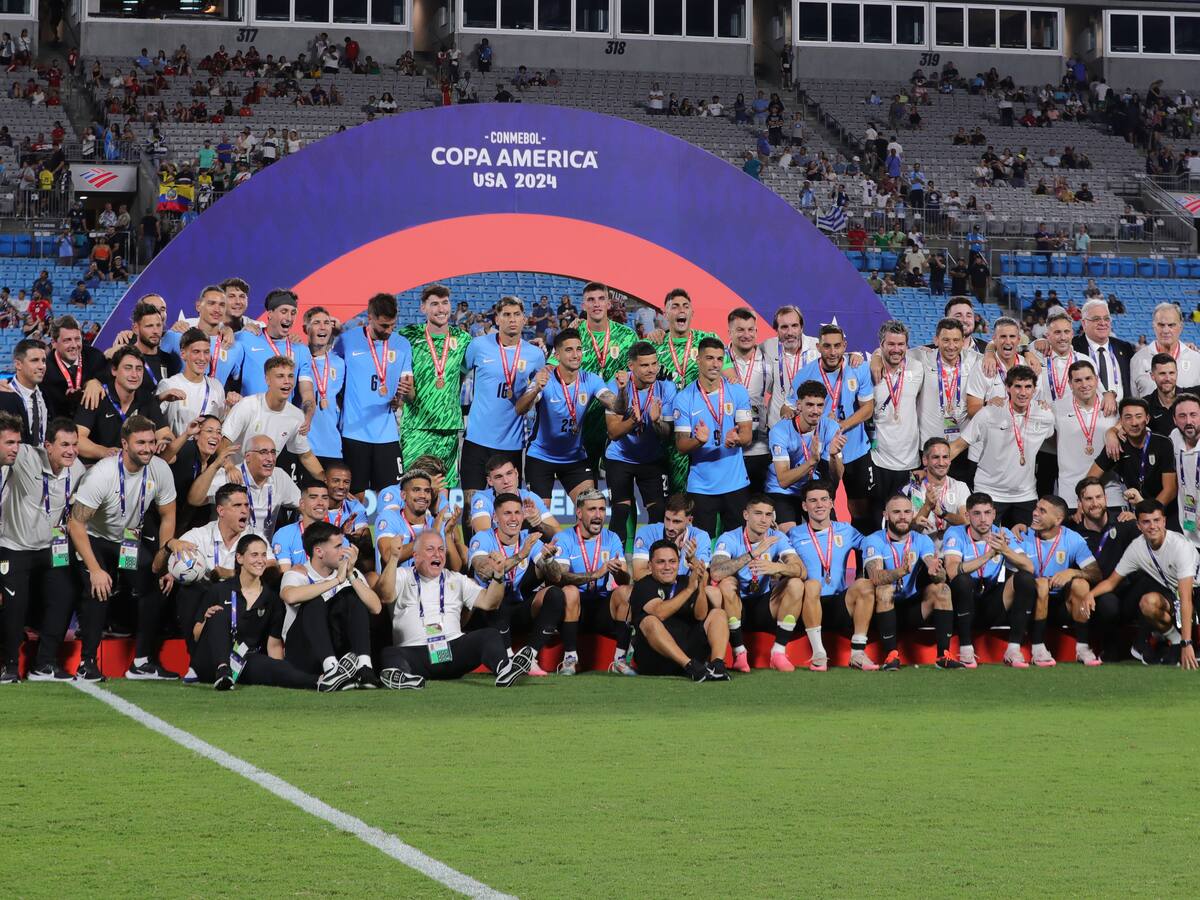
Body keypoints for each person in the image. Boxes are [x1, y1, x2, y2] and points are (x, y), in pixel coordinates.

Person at [66, 416, 185, 681]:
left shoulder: (159, 469)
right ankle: (87, 663)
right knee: (99, 589)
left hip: (127, 541)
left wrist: (164, 561)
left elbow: (168, 516)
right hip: (93, 538)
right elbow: (76, 523)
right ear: (124, 444)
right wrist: (95, 569)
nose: (147, 448)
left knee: (155, 585)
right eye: (140, 442)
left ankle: (142, 662)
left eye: (151, 442)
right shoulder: (102, 474)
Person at [378, 530, 536, 689]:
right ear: (416, 556)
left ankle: (504, 670)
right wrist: (394, 558)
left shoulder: (457, 579)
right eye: (430, 549)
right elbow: (385, 595)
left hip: (452, 650)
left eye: (441, 549)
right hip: (417, 653)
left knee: (489, 635)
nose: (437, 554)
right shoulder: (402, 575)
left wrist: (498, 576)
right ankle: (403, 677)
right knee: (390, 653)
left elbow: (490, 603)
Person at [0, 416, 78, 682]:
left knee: (65, 594)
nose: (71, 451)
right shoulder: (24, 456)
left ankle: (45, 664)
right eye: (64, 445)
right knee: (15, 605)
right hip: (14, 545)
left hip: (51, 547)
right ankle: (9, 665)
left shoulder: (77, 469)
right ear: (48, 446)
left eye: (74, 445)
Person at [192, 534, 316, 691]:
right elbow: (196, 635)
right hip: (211, 662)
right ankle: (223, 670)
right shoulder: (219, 590)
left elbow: (274, 646)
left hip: (242, 660)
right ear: (239, 558)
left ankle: (320, 681)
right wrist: (207, 619)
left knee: (277, 668)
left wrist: (278, 667)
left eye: (264, 555)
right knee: (217, 613)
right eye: (254, 555)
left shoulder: (271, 598)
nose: (261, 560)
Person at [1088, 500, 1198, 669]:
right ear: (1138, 525)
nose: (1152, 526)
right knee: (1148, 603)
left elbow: (1186, 599)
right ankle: (1175, 641)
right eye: (1146, 522)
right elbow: (1111, 582)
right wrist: (1090, 595)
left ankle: (1184, 644)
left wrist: (1187, 642)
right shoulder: (1137, 547)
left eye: (1156, 520)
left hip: (1195, 591)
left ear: (1164, 521)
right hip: (1174, 593)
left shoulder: (1180, 546)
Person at [460, 296, 545, 505]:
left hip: (511, 444)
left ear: (524, 319)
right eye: (506, 315)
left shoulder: (535, 355)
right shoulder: (478, 346)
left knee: (508, 509)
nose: (512, 319)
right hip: (476, 441)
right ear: (497, 319)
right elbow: (459, 375)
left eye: (517, 314)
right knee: (471, 508)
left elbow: (538, 391)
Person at [278, 521, 383, 689]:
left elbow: (376, 607)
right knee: (314, 600)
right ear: (319, 551)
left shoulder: (349, 572)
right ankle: (331, 670)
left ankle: (364, 667)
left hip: (338, 650)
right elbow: (290, 596)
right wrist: (336, 580)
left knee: (351, 595)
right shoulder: (298, 572)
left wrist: (350, 575)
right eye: (338, 546)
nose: (344, 551)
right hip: (304, 652)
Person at [468, 492, 566, 669]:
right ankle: (508, 659)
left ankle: (529, 656)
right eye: (507, 513)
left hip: (517, 608)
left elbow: (557, 577)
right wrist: (521, 555)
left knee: (556, 594)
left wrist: (548, 560)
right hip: (487, 613)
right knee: (496, 593)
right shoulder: (483, 538)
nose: (514, 519)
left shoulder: (528, 539)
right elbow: (485, 573)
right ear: (495, 518)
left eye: (517, 513)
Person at [710, 494, 807, 673]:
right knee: (726, 583)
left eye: (768, 515)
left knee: (796, 584)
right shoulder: (730, 538)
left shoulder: (776, 537)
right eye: (758, 513)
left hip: (765, 604)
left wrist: (777, 567)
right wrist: (753, 554)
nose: (764, 520)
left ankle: (778, 652)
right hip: (737, 606)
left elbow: (801, 571)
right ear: (746, 515)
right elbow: (715, 572)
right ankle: (739, 653)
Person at [794, 324, 875, 534]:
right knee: (822, 511)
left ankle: (861, 555)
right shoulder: (805, 374)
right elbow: (791, 408)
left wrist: (839, 425)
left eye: (837, 346)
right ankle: (829, 552)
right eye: (827, 346)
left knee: (861, 510)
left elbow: (867, 408)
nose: (832, 352)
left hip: (856, 451)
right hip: (822, 455)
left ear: (845, 346)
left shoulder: (858, 368)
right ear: (818, 347)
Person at [525, 328, 620, 505]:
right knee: (539, 514)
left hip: (574, 457)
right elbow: (521, 408)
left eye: (579, 349)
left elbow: (616, 405)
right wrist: (535, 388)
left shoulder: (591, 379)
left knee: (590, 506)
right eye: (569, 350)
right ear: (557, 355)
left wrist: (623, 391)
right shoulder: (544, 378)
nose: (576, 355)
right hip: (541, 456)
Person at [785, 480, 875, 669]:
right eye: (813, 500)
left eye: (824, 499)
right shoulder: (794, 534)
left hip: (838, 605)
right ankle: (819, 653)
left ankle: (858, 653)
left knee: (865, 586)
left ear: (832, 503)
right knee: (811, 586)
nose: (819, 505)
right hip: (807, 604)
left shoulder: (846, 530)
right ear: (804, 506)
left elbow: (871, 545)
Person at [862, 493, 956, 670]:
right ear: (886, 515)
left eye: (907, 512)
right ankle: (891, 656)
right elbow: (875, 577)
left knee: (942, 588)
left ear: (912, 514)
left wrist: (936, 571)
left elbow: (939, 573)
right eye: (896, 512)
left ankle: (943, 655)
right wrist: (901, 571)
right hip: (881, 611)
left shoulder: (921, 540)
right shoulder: (873, 540)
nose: (902, 517)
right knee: (884, 589)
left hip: (912, 609)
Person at [951, 367, 1055, 527]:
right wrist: (930, 469)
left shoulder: (1045, 415)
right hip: (989, 491)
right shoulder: (989, 413)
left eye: (1028, 387)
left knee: (1027, 539)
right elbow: (958, 445)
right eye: (1017, 386)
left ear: (1035, 389)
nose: (1023, 392)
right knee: (983, 538)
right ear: (1007, 387)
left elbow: (1050, 436)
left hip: (1025, 493)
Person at [332, 292, 413, 493]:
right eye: (384, 326)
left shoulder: (402, 344)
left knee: (391, 496)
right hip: (353, 432)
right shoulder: (346, 341)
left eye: (393, 325)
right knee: (354, 495)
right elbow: (333, 381)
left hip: (387, 434)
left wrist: (401, 397)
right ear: (370, 317)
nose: (389, 331)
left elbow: (407, 388)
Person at [943, 492, 1036, 668]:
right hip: (964, 602)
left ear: (994, 514)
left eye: (987, 513)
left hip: (992, 601)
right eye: (977, 513)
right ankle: (966, 650)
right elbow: (952, 571)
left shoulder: (1002, 533)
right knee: (962, 581)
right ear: (967, 515)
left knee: (1025, 578)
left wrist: (1005, 550)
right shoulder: (956, 533)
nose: (983, 519)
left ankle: (1013, 649)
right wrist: (989, 555)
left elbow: (1029, 566)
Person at [673, 336, 752, 537]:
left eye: (719, 359)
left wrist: (737, 440)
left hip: (735, 484)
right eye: (709, 358)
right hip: (701, 487)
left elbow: (747, 435)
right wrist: (698, 441)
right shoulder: (683, 398)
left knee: (737, 544)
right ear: (698, 360)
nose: (715, 364)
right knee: (701, 545)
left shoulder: (738, 392)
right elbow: (681, 445)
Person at [549, 489, 633, 675]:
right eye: (592, 509)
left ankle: (620, 661)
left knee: (626, 591)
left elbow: (624, 580)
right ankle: (570, 660)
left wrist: (618, 572)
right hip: (574, 610)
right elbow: (560, 577)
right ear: (579, 513)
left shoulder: (612, 538)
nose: (598, 515)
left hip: (602, 608)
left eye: (602, 509)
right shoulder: (565, 538)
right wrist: (596, 574)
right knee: (569, 591)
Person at [399, 284, 471, 490]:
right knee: (414, 485)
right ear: (423, 307)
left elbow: (464, 373)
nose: (441, 309)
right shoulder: (408, 336)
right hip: (416, 426)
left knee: (443, 487)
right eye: (434, 304)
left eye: (445, 303)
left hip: (448, 427)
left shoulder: (463, 339)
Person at [628, 540, 729, 681]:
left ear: (678, 563)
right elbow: (660, 613)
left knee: (718, 613)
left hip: (692, 652)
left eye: (672, 561)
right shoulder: (643, 586)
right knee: (649, 621)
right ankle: (690, 666)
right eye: (661, 562)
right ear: (650, 565)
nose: (667, 567)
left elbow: (700, 615)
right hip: (657, 659)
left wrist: (700, 585)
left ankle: (717, 665)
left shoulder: (686, 581)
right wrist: (689, 589)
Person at [650, 289, 719, 493]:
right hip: (668, 431)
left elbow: (726, 374)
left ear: (692, 312)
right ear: (665, 313)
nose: (681, 310)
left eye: (685, 306)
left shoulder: (707, 340)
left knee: (705, 494)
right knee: (675, 495)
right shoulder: (654, 345)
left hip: (702, 426)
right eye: (675, 306)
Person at [605, 340, 675, 542]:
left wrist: (656, 422)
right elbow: (613, 433)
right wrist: (632, 421)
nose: (651, 370)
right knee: (620, 510)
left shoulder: (666, 388)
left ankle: (653, 555)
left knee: (659, 511)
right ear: (631, 366)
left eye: (654, 364)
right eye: (644, 365)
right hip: (620, 458)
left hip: (651, 459)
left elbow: (667, 435)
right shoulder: (617, 385)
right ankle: (616, 558)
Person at [1021, 495, 1103, 667]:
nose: (1035, 513)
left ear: (1058, 519)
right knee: (1041, 585)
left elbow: (1096, 574)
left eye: (1042, 511)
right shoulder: (1022, 535)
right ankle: (1038, 649)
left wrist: (1072, 572)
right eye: (1036, 508)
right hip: (1030, 604)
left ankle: (1082, 648)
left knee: (1081, 584)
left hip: (1061, 605)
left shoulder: (1072, 539)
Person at [218, 356, 324, 482]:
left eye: (290, 376)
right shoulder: (247, 406)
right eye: (280, 376)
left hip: (263, 481)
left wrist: (327, 481)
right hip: (233, 477)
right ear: (267, 380)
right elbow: (223, 442)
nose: (287, 381)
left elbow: (306, 456)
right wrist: (229, 467)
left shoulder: (296, 416)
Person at [764, 379, 843, 531]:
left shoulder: (831, 427)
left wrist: (834, 456)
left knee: (828, 533)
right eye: (810, 405)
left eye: (820, 405)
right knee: (789, 534)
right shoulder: (780, 431)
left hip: (812, 487)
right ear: (799, 405)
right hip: (782, 491)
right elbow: (783, 481)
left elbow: (836, 477)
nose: (815, 411)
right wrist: (812, 461)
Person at [234, 289, 316, 426]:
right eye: (284, 311)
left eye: (293, 313)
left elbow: (307, 392)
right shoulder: (245, 338)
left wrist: (307, 416)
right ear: (270, 314)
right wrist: (227, 331)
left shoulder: (300, 349)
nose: (289, 318)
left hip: (282, 424)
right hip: (249, 422)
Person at [75, 347, 173, 461]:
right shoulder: (96, 395)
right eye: (128, 368)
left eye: (139, 369)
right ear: (114, 370)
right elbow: (77, 439)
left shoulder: (147, 398)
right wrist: (105, 452)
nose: (134, 375)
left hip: (136, 466)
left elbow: (166, 434)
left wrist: (165, 441)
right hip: (99, 465)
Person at [869, 320, 925, 515]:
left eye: (901, 344)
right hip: (879, 459)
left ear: (907, 346)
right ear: (881, 345)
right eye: (891, 344)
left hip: (912, 462)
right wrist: (876, 357)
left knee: (911, 513)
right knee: (878, 514)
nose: (896, 349)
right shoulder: (870, 369)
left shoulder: (917, 367)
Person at [198, 434, 300, 538]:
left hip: (264, 546)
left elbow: (303, 504)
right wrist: (214, 466)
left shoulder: (279, 476)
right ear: (248, 457)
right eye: (263, 452)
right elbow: (196, 500)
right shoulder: (229, 476)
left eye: (273, 452)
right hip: (228, 545)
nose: (270, 458)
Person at [1087, 398, 1177, 514]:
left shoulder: (1163, 443)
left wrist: (1149, 513)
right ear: (1121, 421)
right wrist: (1083, 503)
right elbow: (1090, 479)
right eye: (1128, 417)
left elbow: (1170, 489)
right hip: (1134, 511)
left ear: (1147, 419)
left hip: (1162, 510)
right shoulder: (1117, 444)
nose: (1134, 423)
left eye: (1139, 416)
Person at [1052, 361, 1117, 511]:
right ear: (1070, 384)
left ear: (1096, 380)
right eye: (1078, 380)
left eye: (1088, 378)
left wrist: (1113, 431)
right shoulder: (1056, 408)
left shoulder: (1113, 406)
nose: (1084, 384)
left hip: (1110, 492)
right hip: (1070, 493)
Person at [724, 307, 773, 492]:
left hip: (760, 449)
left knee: (759, 504)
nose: (746, 335)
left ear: (756, 331)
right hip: (727, 449)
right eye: (740, 330)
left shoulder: (769, 361)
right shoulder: (718, 360)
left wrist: (852, 356)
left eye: (750, 329)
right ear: (729, 332)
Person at [468, 454, 559, 539]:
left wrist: (538, 524)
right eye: (499, 477)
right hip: (496, 550)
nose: (506, 481)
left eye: (509, 473)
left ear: (516, 473)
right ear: (490, 481)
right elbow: (483, 536)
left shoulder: (529, 498)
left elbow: (559, 535)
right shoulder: (482, 499)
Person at [156, 327, 226, 435]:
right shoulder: (169, 385)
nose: (202, 358)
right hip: (177, 445)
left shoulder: (216, 386)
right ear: (183, 354)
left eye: (206, 352)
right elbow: (153, 418)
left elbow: (220, 422)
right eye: (196, 352)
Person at [1130, 302, 1200, 397]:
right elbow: (1134, 400)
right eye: (1161, 325)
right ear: (1154, 326)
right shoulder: (1138, 360)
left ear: (1181, 327)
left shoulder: (1196, 359)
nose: (1166, 330)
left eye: (1171, 325)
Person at [903, 437, 969, 537]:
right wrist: (927, 506)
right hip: (922, 546)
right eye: (936, 457)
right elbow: (910, 530)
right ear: (925, 460)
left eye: (945, 457)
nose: (941, 463)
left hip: (953, 545)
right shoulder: (911, 489)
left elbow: (967, 522)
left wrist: (944, 514)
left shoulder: (960, 487)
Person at [1073, 299, 1133, 402]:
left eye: (1106, 319)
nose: (1103, 323)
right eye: (1096, 319)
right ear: (1084, 323)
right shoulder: (1072, 346)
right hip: (1085, 409)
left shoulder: (1124, 348)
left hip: (1121, 409)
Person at [0, 339, 52, 445]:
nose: (41, 366)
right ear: (18, 364)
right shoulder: (4, 394)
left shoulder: (46, 392)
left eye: (43, 361)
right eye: (34, 360)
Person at [1142, 354, 1178, 437]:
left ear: (1177, 373)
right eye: (1162, 374)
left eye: (1171, 373)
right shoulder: (1145, 404)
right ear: (1152, 376)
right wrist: (1113, 432)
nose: (1167, 378)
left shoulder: (1192, 397)